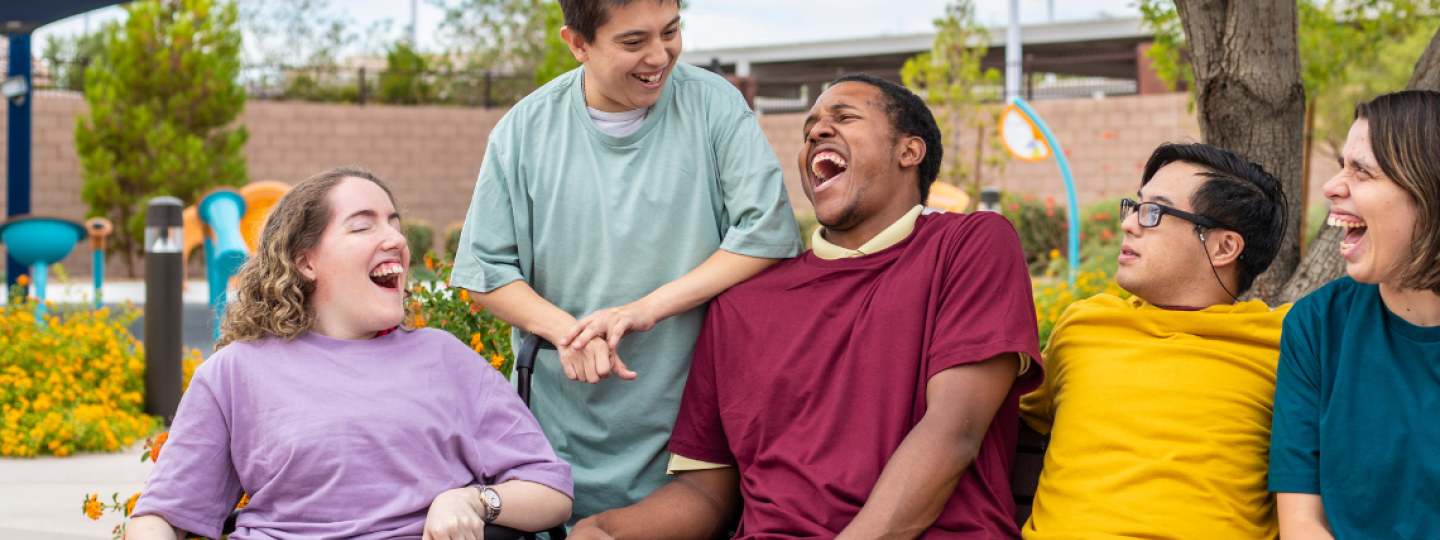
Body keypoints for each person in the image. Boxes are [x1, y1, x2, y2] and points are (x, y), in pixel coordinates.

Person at [569, 74, 1043, 539]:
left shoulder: (970, 245)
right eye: (809, 128)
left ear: (909, 151)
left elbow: (951, 433)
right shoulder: (742, 302)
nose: (816, 131)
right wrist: (608, 528)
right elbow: (708, 492)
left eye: (845, 117)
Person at [449, 0, 802, 521]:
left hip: (691, 442)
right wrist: (565, 331)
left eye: (672, 31)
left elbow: (767, 233)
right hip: (558, 437)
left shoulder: (716, 107)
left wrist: (646, 309)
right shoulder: (522, 131)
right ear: (578, 44)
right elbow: (486, 270)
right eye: (634, 42)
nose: (660, 56)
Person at [127, 168, 573, 540]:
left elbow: (551, 490)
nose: (396, 239)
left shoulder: (445, 359)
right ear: (305, 262)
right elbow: (161, 516)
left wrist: (473, 500)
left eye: (395, 225)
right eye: (363, 225)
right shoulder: (234, 371)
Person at [1018, 143, 1290, 539]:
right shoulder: (1085, 326)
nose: (1129, 224)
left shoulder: (1287, 347)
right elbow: (995, 414)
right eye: (1135, 206)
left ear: (1224, 247)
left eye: (1155, 212)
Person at [1270, 90, 1440, 539]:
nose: (1332, 186)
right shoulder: (1315, 326)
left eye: (1362, 170)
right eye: (1342, 164)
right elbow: (1302, 522)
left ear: (1428, 191)